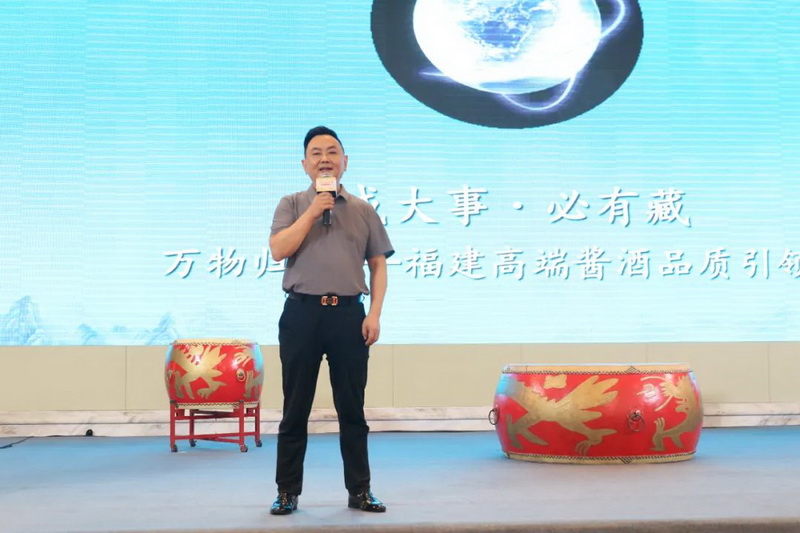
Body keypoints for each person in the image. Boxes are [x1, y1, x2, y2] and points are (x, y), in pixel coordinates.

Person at [268, 126, 394, 515]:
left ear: (345, 161)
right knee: (295, 408)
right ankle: (287, 491)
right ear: (305, 164)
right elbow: (278, 250)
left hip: (349, 316)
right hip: (301, 314)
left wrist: (374, 314)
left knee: (352, 409)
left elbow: (378, 265)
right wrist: (312, 211)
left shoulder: (363, 210)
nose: (325, 158)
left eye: (333, 152)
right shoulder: (291, 204)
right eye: (317, 153)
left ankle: (360, 490)